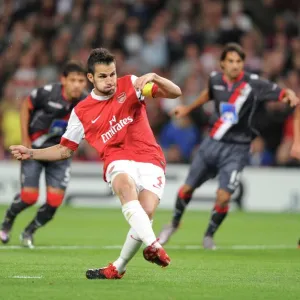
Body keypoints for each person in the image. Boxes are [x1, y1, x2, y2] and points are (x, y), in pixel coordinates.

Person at [9, 48, 182, 279]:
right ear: (91, 78)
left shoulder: (131, 85)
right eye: (103, 76)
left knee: (146, 212)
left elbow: (175, 93)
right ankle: (154, 245)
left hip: (150, 157)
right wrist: (31, 153)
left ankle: (118, 268)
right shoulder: (81, 111)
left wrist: (155, 77)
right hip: (117, 158)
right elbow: (64, 149)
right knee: (124, 186)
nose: (110, 80)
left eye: (112, 74)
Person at [158, 43, 300, 249]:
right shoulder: (215, 80)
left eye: (239, 61)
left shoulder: (253, 84)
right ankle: (173, 224)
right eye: (231, 61)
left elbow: (280, 92)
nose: (235, 65)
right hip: (212, 144)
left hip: (237, 148)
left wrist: (290, 94)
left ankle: (208, 235)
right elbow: (208, 94)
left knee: (223, 197)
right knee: (186, 189)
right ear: (222, 64)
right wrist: (187, 108)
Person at [0, 61, 87, 248]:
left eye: (81, 80)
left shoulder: (87, 102)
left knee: (55, 201)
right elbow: (26, 106)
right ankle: (8, 220)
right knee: (29, 197)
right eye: (73, 80)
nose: (77, 84)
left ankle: (29, 231)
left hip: (60, 154)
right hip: (35, 150)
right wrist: (25, 139)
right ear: (63, 80)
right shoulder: (48, 93)